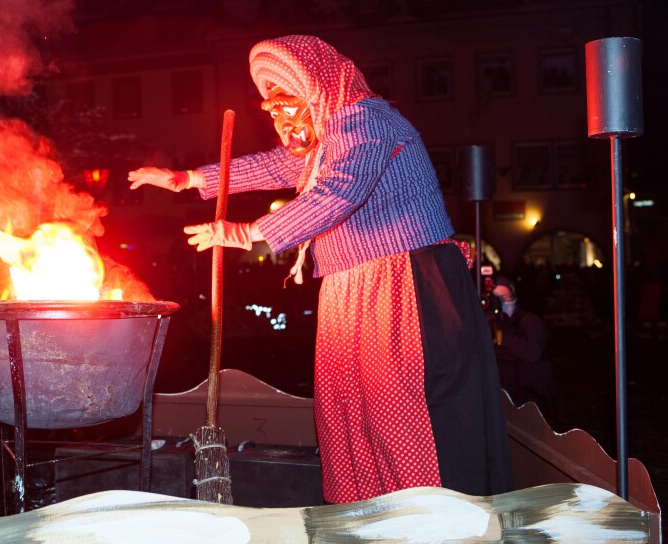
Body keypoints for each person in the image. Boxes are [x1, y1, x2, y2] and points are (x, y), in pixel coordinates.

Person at [128, 35, 511, 503]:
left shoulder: (367, 120)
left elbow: (341, 193)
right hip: (351, 287)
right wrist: (187, 179)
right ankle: (368, 513)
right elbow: (272, 168)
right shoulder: (328, 141)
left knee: (401, 410)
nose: (282, 120)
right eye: (272, 109)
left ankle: (428, 514)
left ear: (318, 91)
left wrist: (243, 233)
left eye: (288, 104)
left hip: (401, 284)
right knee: (352, 411)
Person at [491, 279, 556, 415]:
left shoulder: (530, 322)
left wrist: (507, 336)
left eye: (505, 297)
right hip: (502, 396)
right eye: (497, 299)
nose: (502, 303)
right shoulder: (490, 324)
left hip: (530, 398)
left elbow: (533, 353)